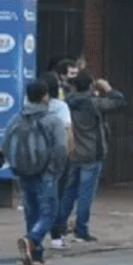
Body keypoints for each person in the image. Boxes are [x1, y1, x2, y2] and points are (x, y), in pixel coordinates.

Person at [55, 71, 125, 243]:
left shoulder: (67, 103)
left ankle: (60, 225)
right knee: (85, 194)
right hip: (92, 153)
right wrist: (108, 88)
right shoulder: (93, 103)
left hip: (73, 152)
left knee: (69, 191)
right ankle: (81, 229)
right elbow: (119, 102)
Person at [7, 79, 68, 265]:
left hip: (24, 171)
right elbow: (60, 147)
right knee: (49, 212)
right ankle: (32, 240)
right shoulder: (52, 120)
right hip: (46, 172)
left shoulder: (16, 118)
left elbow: (7, 144)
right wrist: (56, 169)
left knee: (31, 212)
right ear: (45, 97)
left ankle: (35, 254)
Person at [43, 72, 74, 249]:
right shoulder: (61, 107)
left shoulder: (31, 106)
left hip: (39, 156)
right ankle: (56, 235)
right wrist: (69, 152)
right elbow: (67, 131)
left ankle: (36, 233)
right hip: (58, 156)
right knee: (57, 195)